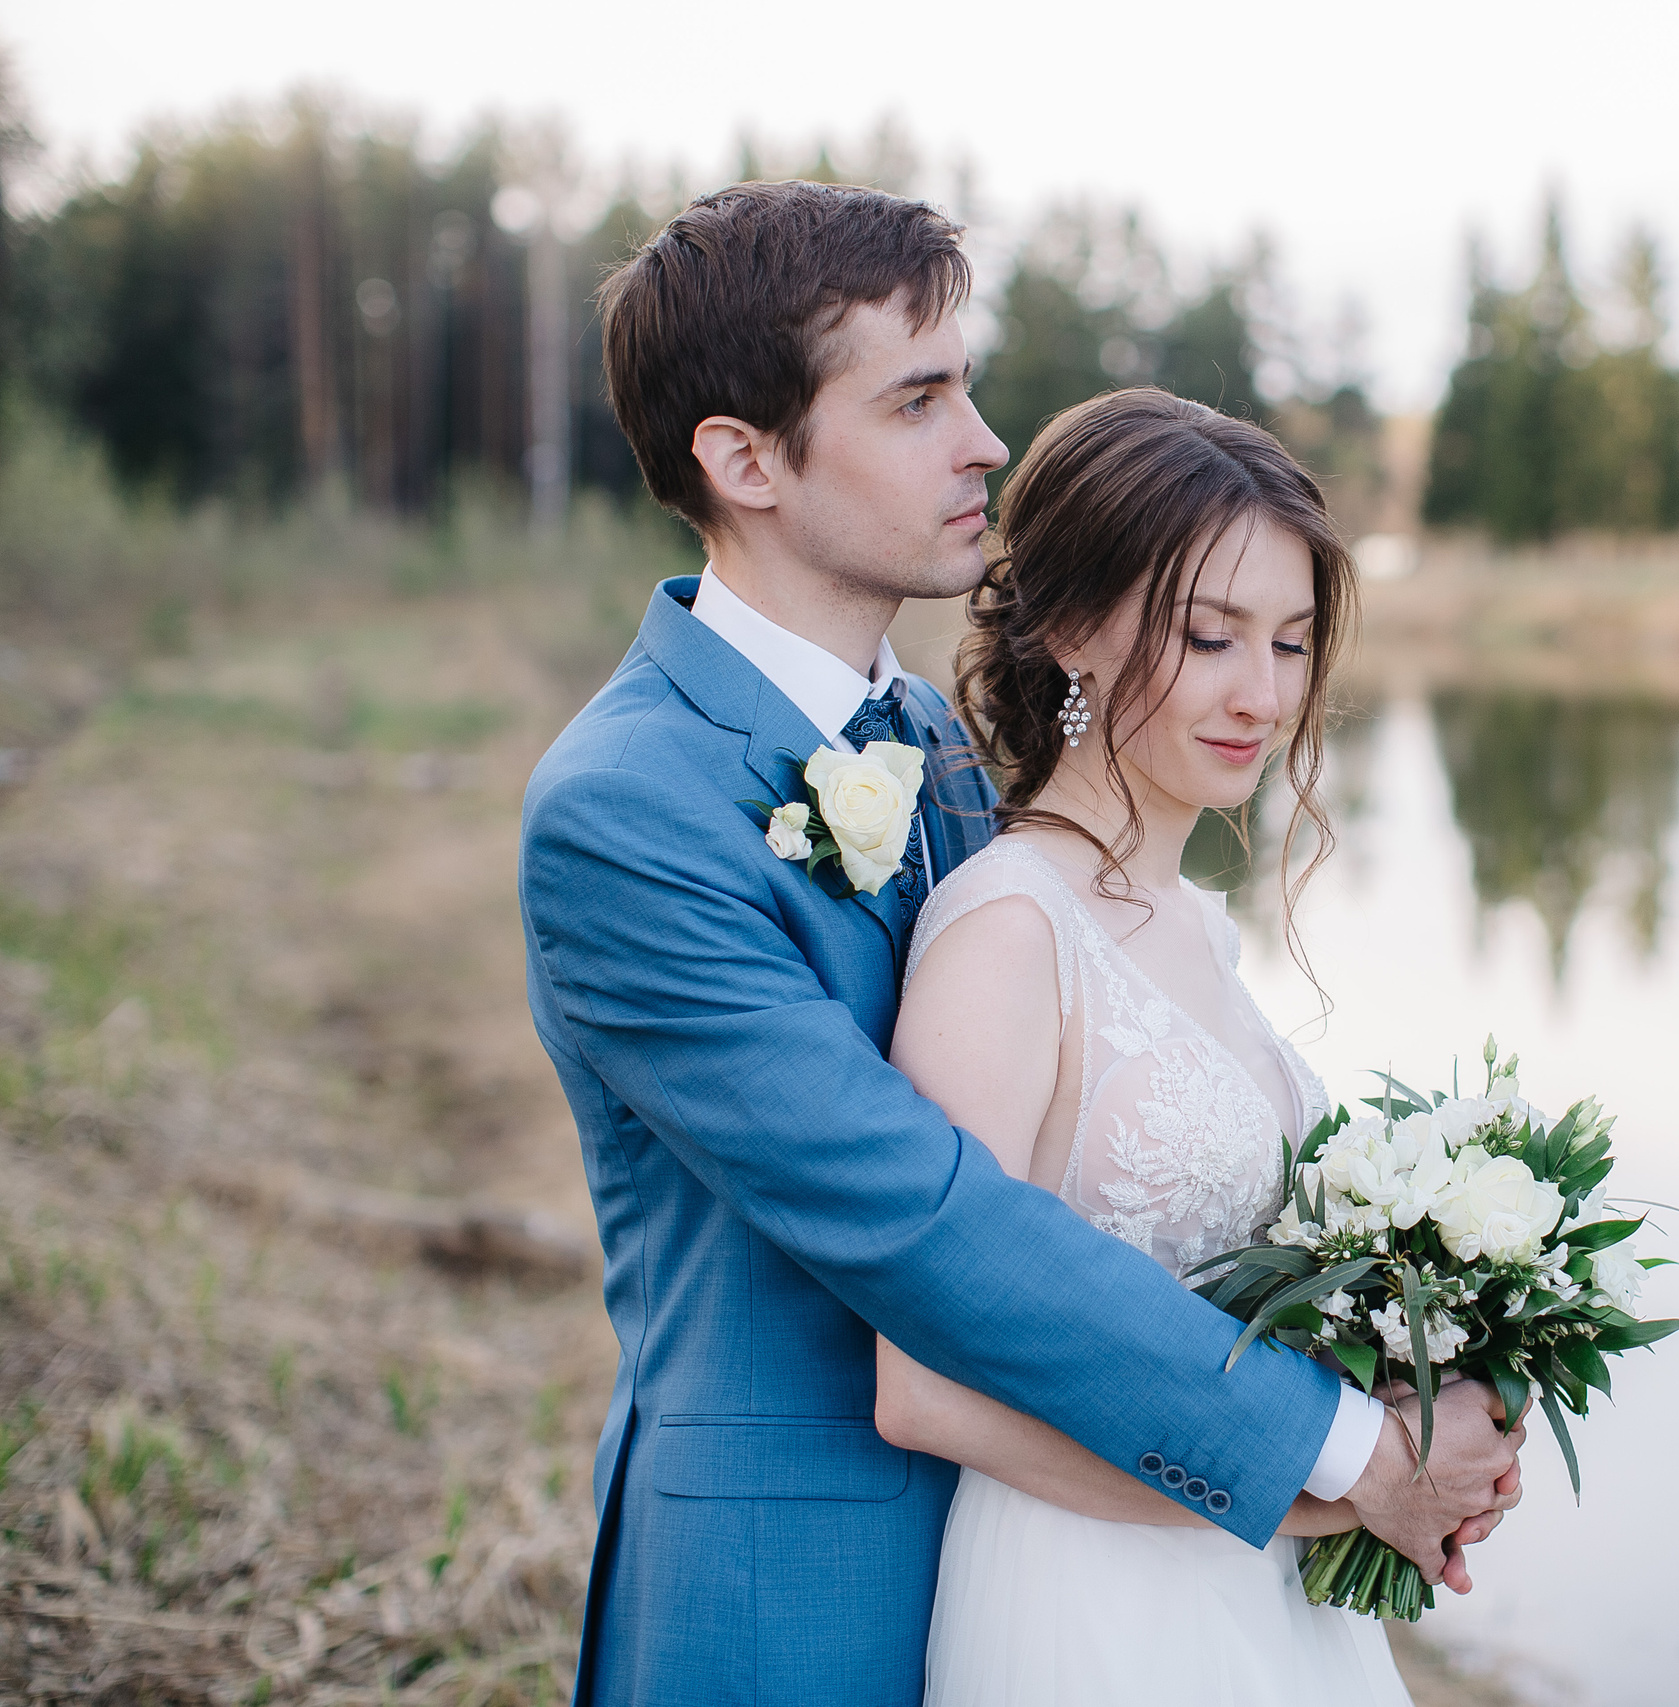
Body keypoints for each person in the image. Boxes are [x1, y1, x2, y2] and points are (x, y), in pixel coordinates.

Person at [517, 180, 1523, 1706]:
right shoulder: (623, 812)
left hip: (1070, 1543)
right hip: (794, 1594)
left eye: (968, 386)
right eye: (918, 398)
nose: (985, 440)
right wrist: (1338, 1448)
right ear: (744, 458)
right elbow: (923, 1215)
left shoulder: (935, 751)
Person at [875, 387, 1425, 1703]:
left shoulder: (1198, 929)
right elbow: (922, 1390)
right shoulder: (1007, 935)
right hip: (1088, 1606)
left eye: (1290, 644)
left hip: (1260, 1596)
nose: (1262, 695)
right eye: (1209, 636)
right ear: (1071, 630)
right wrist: (1308, 1495)